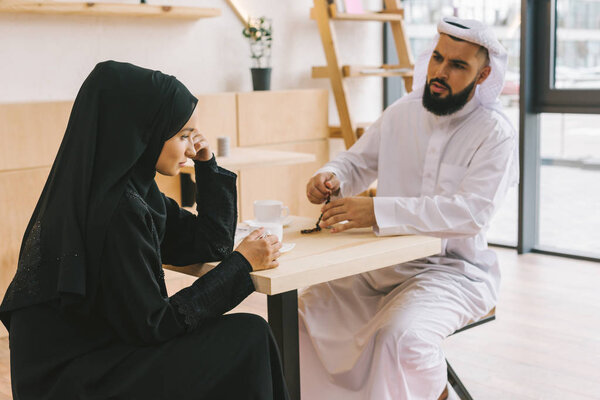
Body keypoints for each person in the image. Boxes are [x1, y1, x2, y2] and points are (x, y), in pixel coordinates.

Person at [0, 61, 289, 400]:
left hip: (103, 354)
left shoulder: (131, 190)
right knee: (248, 337)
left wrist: (206, 166)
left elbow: (210, 242)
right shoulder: (117, 209)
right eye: (182, 135)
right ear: (142, 131)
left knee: (246, 336)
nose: (191, 145)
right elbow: (155, 324)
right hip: (77, 379)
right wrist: (242, 264)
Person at [300, 16, 518, 400]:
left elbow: (471, 214)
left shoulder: (495, 133)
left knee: (401, 338)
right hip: (378, 268)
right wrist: (330, 176)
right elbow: (354, 163)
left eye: (457, 65)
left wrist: (378, 211)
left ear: (483, 76)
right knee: (303, 314)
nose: (440, 71)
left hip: (454, 273)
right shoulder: (402, 112)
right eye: (437, 58)